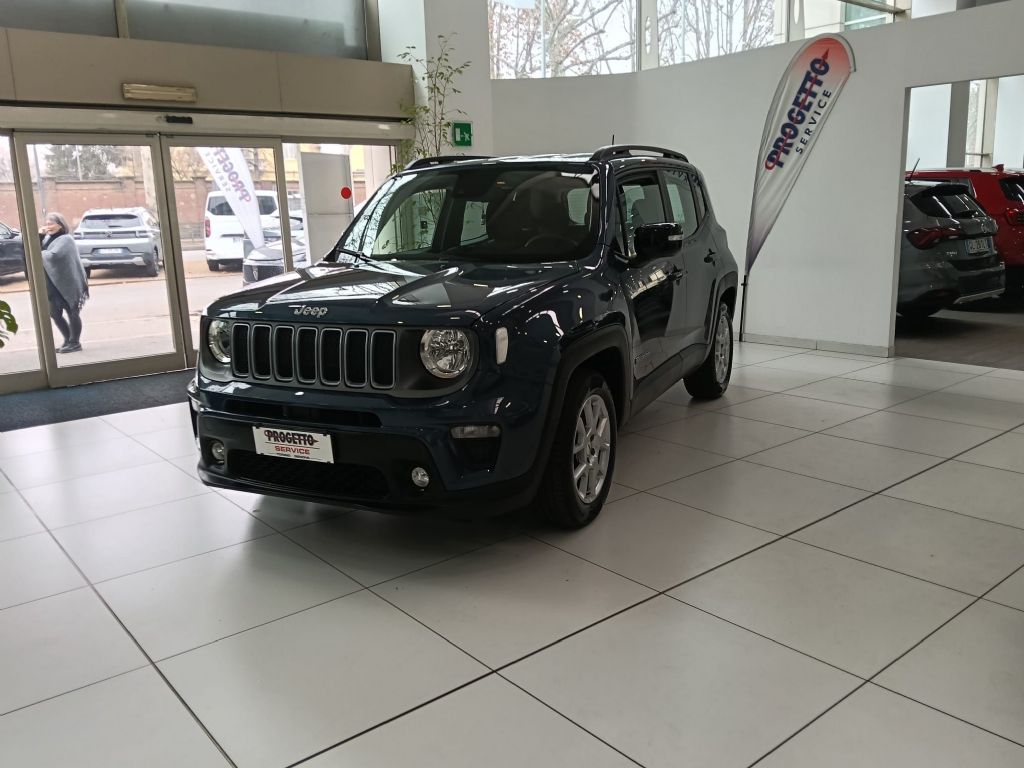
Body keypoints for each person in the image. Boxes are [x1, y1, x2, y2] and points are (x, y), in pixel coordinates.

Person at [39, 212, 88, 353]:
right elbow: (36, 250)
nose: (48, 226)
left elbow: (53, 256)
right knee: (55, 314)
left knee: (72, 311)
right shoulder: (47, 239)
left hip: (68, 282)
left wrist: (39, 253)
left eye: (51, 224)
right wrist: (40, 236)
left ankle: (75, 343)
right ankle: (67, 340)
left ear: (60, 225)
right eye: (47, 224)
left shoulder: (66, 239)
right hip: (52, 282)